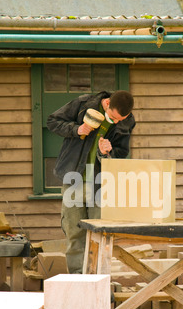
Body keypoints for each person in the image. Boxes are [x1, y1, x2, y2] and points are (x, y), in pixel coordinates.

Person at [47, 90, 135, 274]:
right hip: (74, 177)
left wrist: (107, 152)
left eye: (121, 119)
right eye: (113, 117)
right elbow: (52, 121)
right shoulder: (82, 104)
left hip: (100, 182)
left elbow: (121, 153)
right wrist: (76, 129)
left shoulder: (126, 122)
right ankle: (78, 278)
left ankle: (99, 279)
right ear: (107, 103)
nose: (116, 121)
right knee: (74, 231)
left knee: (101, 233)